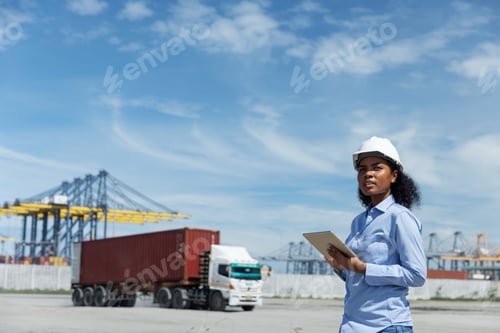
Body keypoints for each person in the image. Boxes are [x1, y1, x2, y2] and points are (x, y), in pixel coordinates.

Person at [327, 136, 427, 333]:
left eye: (376, 168)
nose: (368, 174)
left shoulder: (400, 218)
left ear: (394, 176)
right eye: (362, 169)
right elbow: (355, 277)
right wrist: (341, 267)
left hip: (386, 325)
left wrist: (363, 268)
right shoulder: (358, 222)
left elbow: (416, 275)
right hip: (351, 325)